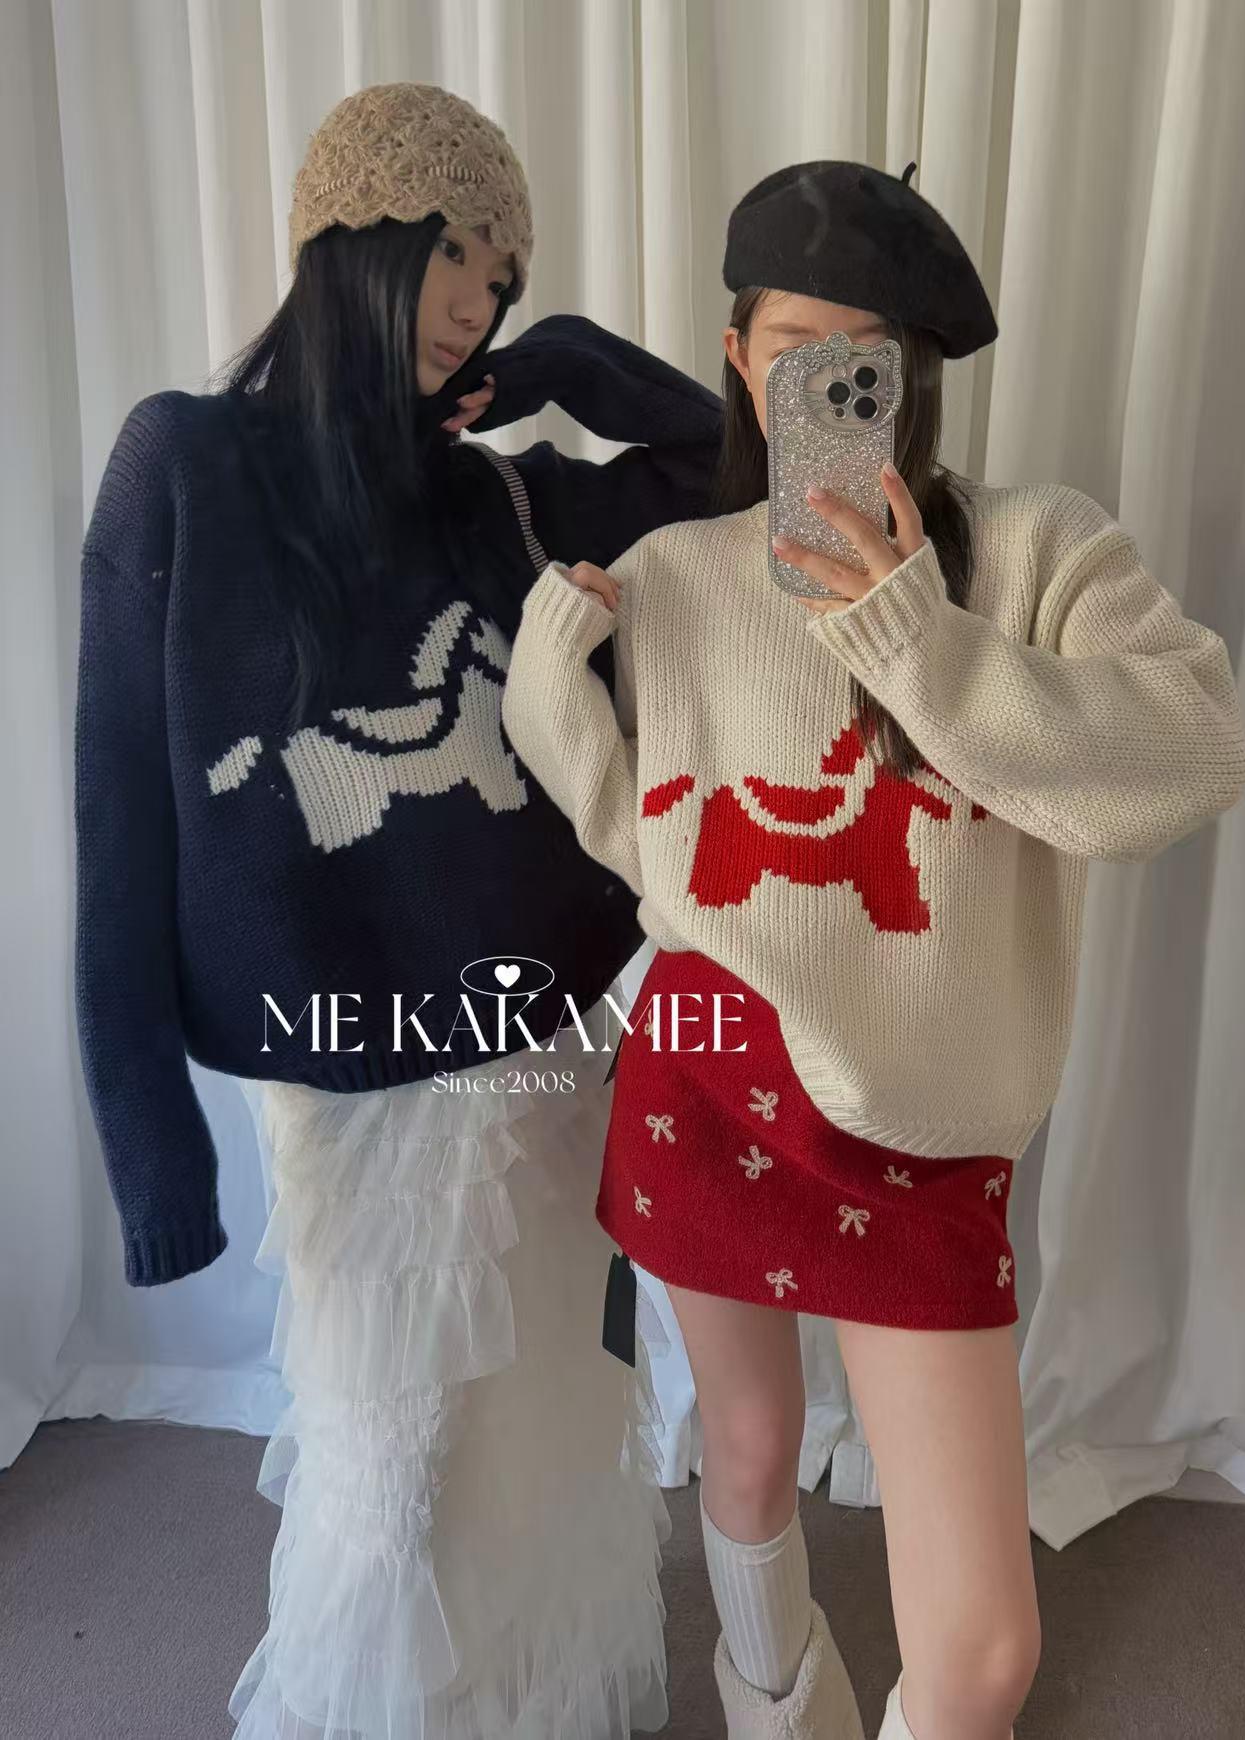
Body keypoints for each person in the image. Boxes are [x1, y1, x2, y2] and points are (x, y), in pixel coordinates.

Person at [500, 159, 1245, 1740]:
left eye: (868, 358)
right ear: (738, 360)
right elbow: (657, 846)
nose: (832, 389)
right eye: (795, 353)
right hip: (709, 1070)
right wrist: (553, 694)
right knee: (748, 1454)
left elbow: (1192, 756)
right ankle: (774, 1705)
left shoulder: (1039, 552)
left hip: (922, 1123)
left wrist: (919, 637)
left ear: (913, 375)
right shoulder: (679, 576)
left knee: (981, 1655)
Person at [74, 82, 723, 1740]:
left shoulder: (493, 494)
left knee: (544, 1411)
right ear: (352, 234)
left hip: (544, 1033)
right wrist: (151, 1145)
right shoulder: (183, 464)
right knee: (394, 1454)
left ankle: (527, 1705)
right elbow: (117, 817)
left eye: (503, 278)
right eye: (455, 251)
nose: (476, 302)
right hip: (341, 1060)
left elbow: (749, 480)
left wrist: (570, 364)